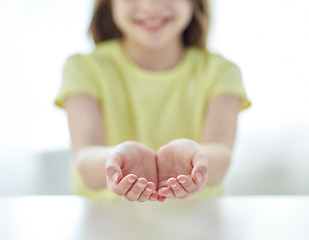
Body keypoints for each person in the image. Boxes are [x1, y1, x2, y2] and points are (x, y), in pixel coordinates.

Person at [55, 0, 251, 202]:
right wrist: (116, 161)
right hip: (107, 225)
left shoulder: (220, 72)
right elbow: (85, 158)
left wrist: (196, 159)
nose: (150, 6)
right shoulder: (84, 68)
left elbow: (221, 153)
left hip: (197, 224)